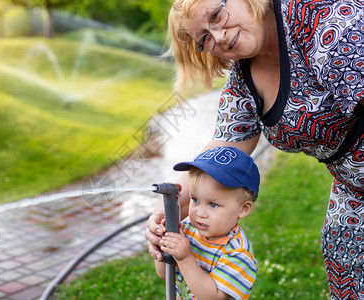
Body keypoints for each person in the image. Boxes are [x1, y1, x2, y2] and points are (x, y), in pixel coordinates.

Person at [145, 0, 364, 299]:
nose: (218, 36)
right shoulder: (243, 80)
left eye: (216, 15)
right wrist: (167, 212)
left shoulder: (326, 23)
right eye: (205, 38)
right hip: (353, 189)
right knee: (348, 268)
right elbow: (224, 147)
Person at [154, 146, 259, 300]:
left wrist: (185, 258)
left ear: (243, 209)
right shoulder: (188, 229)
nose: (200, 213)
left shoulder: (238, 253)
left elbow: (213, 297)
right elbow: (164, 274)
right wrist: (164, 248)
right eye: (195, 199)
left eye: (213, 204)